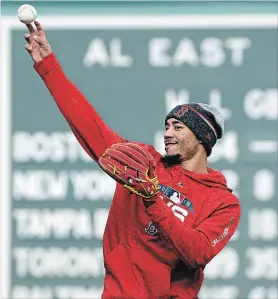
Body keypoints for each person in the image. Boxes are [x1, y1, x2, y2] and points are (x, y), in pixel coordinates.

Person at [23, 21, 241, 299]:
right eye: (166, 126)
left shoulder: (222, 203)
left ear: (201, 139)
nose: (167, 134)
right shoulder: (142, 163)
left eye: (178, 127)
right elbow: (89, 125)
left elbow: (197, 253)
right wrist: (48, 67)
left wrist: (153, 199)